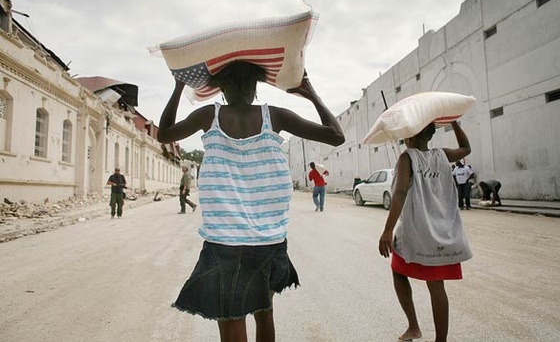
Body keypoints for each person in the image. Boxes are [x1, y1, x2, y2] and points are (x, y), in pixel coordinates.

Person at [157, 61, 344, 342]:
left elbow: (164, 133)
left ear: (221, 90)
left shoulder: (209, 115)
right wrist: (310, 93)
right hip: (268, 241)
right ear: (255, 89)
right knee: (263, 311)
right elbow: (336, 136)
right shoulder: (276, 117)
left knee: (232, 319)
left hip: (224, 243)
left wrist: (179, 85)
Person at [378, 121, 473, 342]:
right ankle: (441, 339)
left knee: (398, 271)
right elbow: (466, 149)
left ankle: (413, 327)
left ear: (410, 136)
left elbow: (400, 193)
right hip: (443, 229)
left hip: (417, 229)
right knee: (436, 284)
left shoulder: (407, 158)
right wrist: (456, 124)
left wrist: (387, 230)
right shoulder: (442, 155)